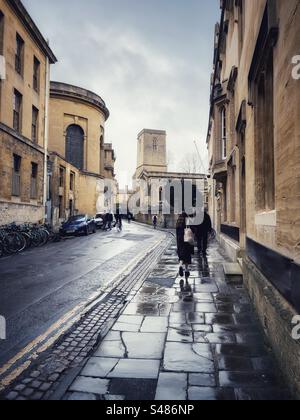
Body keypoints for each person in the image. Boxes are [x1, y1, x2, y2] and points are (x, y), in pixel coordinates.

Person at [176, 212, 194, 289]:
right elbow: (192, 230)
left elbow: (177, 233)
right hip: (187, 241)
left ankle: (180, 266)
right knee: (187, 255)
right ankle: (186, 270)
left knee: (181, 255)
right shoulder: (187, 222)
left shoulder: (178, 222)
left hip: (180, 242)